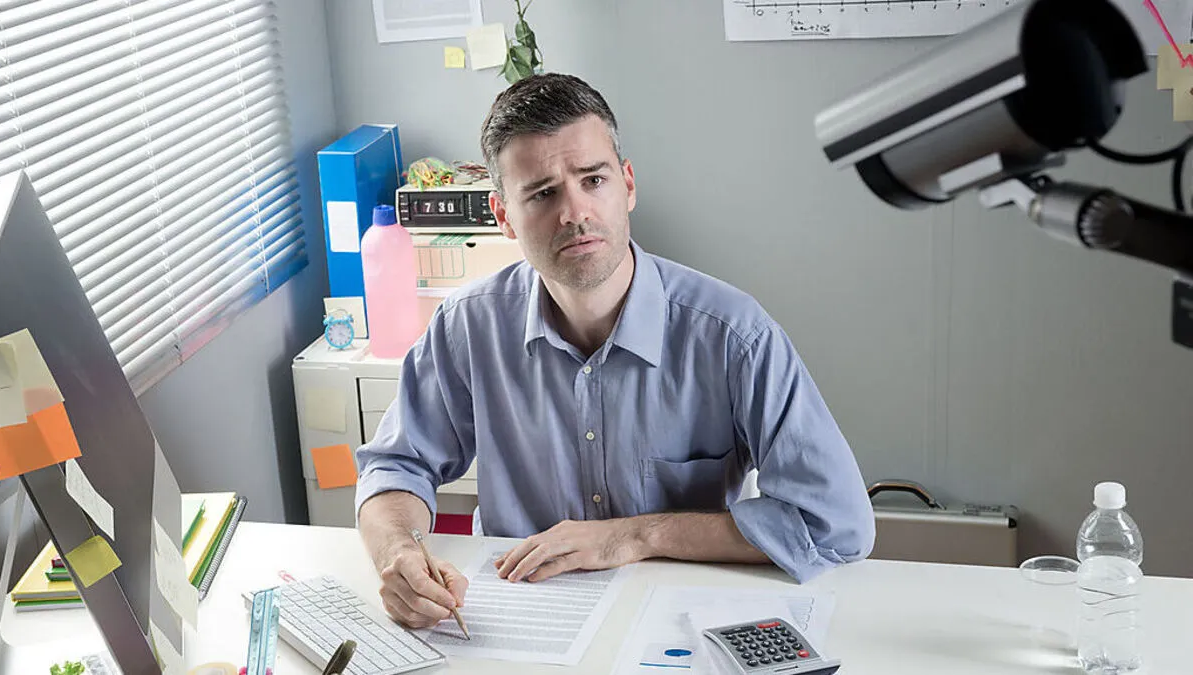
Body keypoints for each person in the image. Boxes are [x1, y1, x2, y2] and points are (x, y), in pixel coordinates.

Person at [355, 73, 875, 630]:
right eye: (542, 193)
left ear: (627, 184)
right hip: (520, 616)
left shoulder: (734, 334)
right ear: (503, 216)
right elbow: (394, 467)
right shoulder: (466, 325)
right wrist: (398, 550)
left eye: (593, 180)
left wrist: (636, 535)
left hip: (679, 619)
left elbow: (836, 523)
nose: (574, 213)